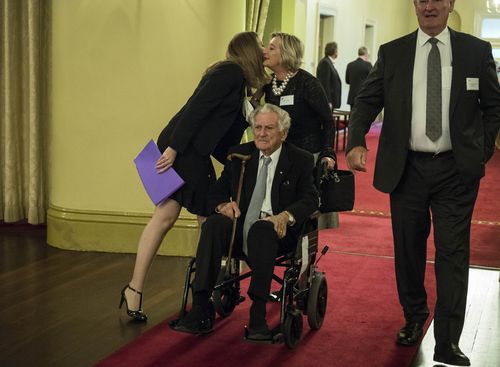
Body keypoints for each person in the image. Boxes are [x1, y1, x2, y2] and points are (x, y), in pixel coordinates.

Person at [346, 1, 500, 366]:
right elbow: (367, 100)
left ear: (450, 5)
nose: (428, 6)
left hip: (455, 171)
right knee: (408, 249)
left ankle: (448, 340)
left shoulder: (476, 51)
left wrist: (479, 150)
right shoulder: (393, 52)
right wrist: (354, 140)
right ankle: (414, 317)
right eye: (421, 0)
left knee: (452, 253)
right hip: (407, 168)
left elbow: (494, 106)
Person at [119, 31, 269, 322]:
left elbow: (224, 138)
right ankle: (207, 291)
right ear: (249, 51)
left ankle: (135, 290)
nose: (263, 51)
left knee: (165, 216)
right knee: (206, 216)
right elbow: (195, 111)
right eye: (260, 46)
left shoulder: (236, 81)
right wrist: (174, 149)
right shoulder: (230, 72)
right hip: (183, 150)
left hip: (186, 149)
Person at [170, 104, 318, 339]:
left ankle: (257, 315)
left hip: (277, 233)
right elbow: (215, 192)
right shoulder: (239, 155)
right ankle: (200, 307)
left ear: (284, 133)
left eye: (269, 128)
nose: (261, 133)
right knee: (214, 224)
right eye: (257, 127)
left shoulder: (300, 159)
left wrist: (284, 215)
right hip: (240, 229)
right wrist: (222, 205)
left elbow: (310, 199)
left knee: (262, 229)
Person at [316, 42, 342, 110]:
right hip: (328, 100)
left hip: (331, 100)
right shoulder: (325, 63)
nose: (338, 52)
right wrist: (328, 101)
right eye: (337, 50)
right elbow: (325, 83)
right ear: (334, 50)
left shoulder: (328, 62)